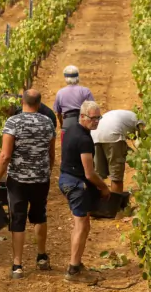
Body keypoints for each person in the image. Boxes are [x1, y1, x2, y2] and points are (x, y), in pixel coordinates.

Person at [0, 89, 56, 279]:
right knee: (39, 215)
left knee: (17, 219)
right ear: (39, 103)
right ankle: (42, 257)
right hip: (41, 178)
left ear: (23, 102)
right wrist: (46, 171)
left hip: (18, 180)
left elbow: (5, 156)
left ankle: (17, 264)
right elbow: (51, 154)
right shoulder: (48, 122)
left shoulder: (13, 122)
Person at [59, 100, 111, 283]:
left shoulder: (73, 129)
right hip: (75, 185)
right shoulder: (84, 139)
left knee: (82, 223)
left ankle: (77, 263)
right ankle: (73, 270)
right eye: (93, 118)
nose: (96, 121)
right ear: (82, 117)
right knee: (81, 225)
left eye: (98, 117)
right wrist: (103, 187)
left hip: (67, 179)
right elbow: (89, 173)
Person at [92, 109, 145, 194]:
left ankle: (97, 203)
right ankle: (115, 204)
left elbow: (124, 147)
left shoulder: (128, 116)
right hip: (113, 134)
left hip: (95, 134)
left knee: (98, 174)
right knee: (116, 176)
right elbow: (143, 140)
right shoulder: (142, 121)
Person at [53, 65, 95, 142]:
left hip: (67, 125)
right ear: (77, 76)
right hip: (83, 124)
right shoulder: (85, 91)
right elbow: (93, 109)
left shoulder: (60, 93)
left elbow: (58, 113)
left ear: (65, 77)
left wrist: (62, 124)